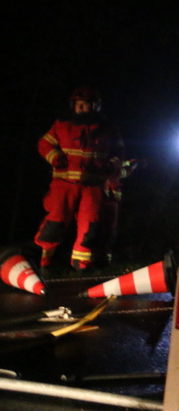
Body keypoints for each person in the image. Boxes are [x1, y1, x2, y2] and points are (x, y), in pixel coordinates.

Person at [34, 86, 124, 272]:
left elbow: (119, 152)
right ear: (73, 106)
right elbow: (44, 143)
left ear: (95, 106)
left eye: (86, 105)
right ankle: (43, 262)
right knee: (55, 221)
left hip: (93, 186)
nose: (82, 108)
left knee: (90, 224)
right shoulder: (62, 125)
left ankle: (81, 264)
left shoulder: (108, 129)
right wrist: (54, 157)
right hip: (64, 184)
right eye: (79, 105)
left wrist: (111, 165)